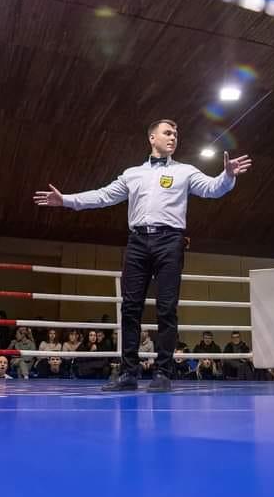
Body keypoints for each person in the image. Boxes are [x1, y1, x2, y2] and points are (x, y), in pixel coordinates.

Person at [34, 119, 251, 393]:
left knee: (166, 308)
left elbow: (212, 188)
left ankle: (163, 373)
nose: (173, 137)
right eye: (167, 133)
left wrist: (227, 176)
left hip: (170, 241)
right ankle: (128, 373)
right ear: (152, 138)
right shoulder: (132, 173)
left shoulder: (185, 171)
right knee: (130, 308)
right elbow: (103, 196)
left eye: (176, 134)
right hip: (137, 241)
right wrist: (66, 200)